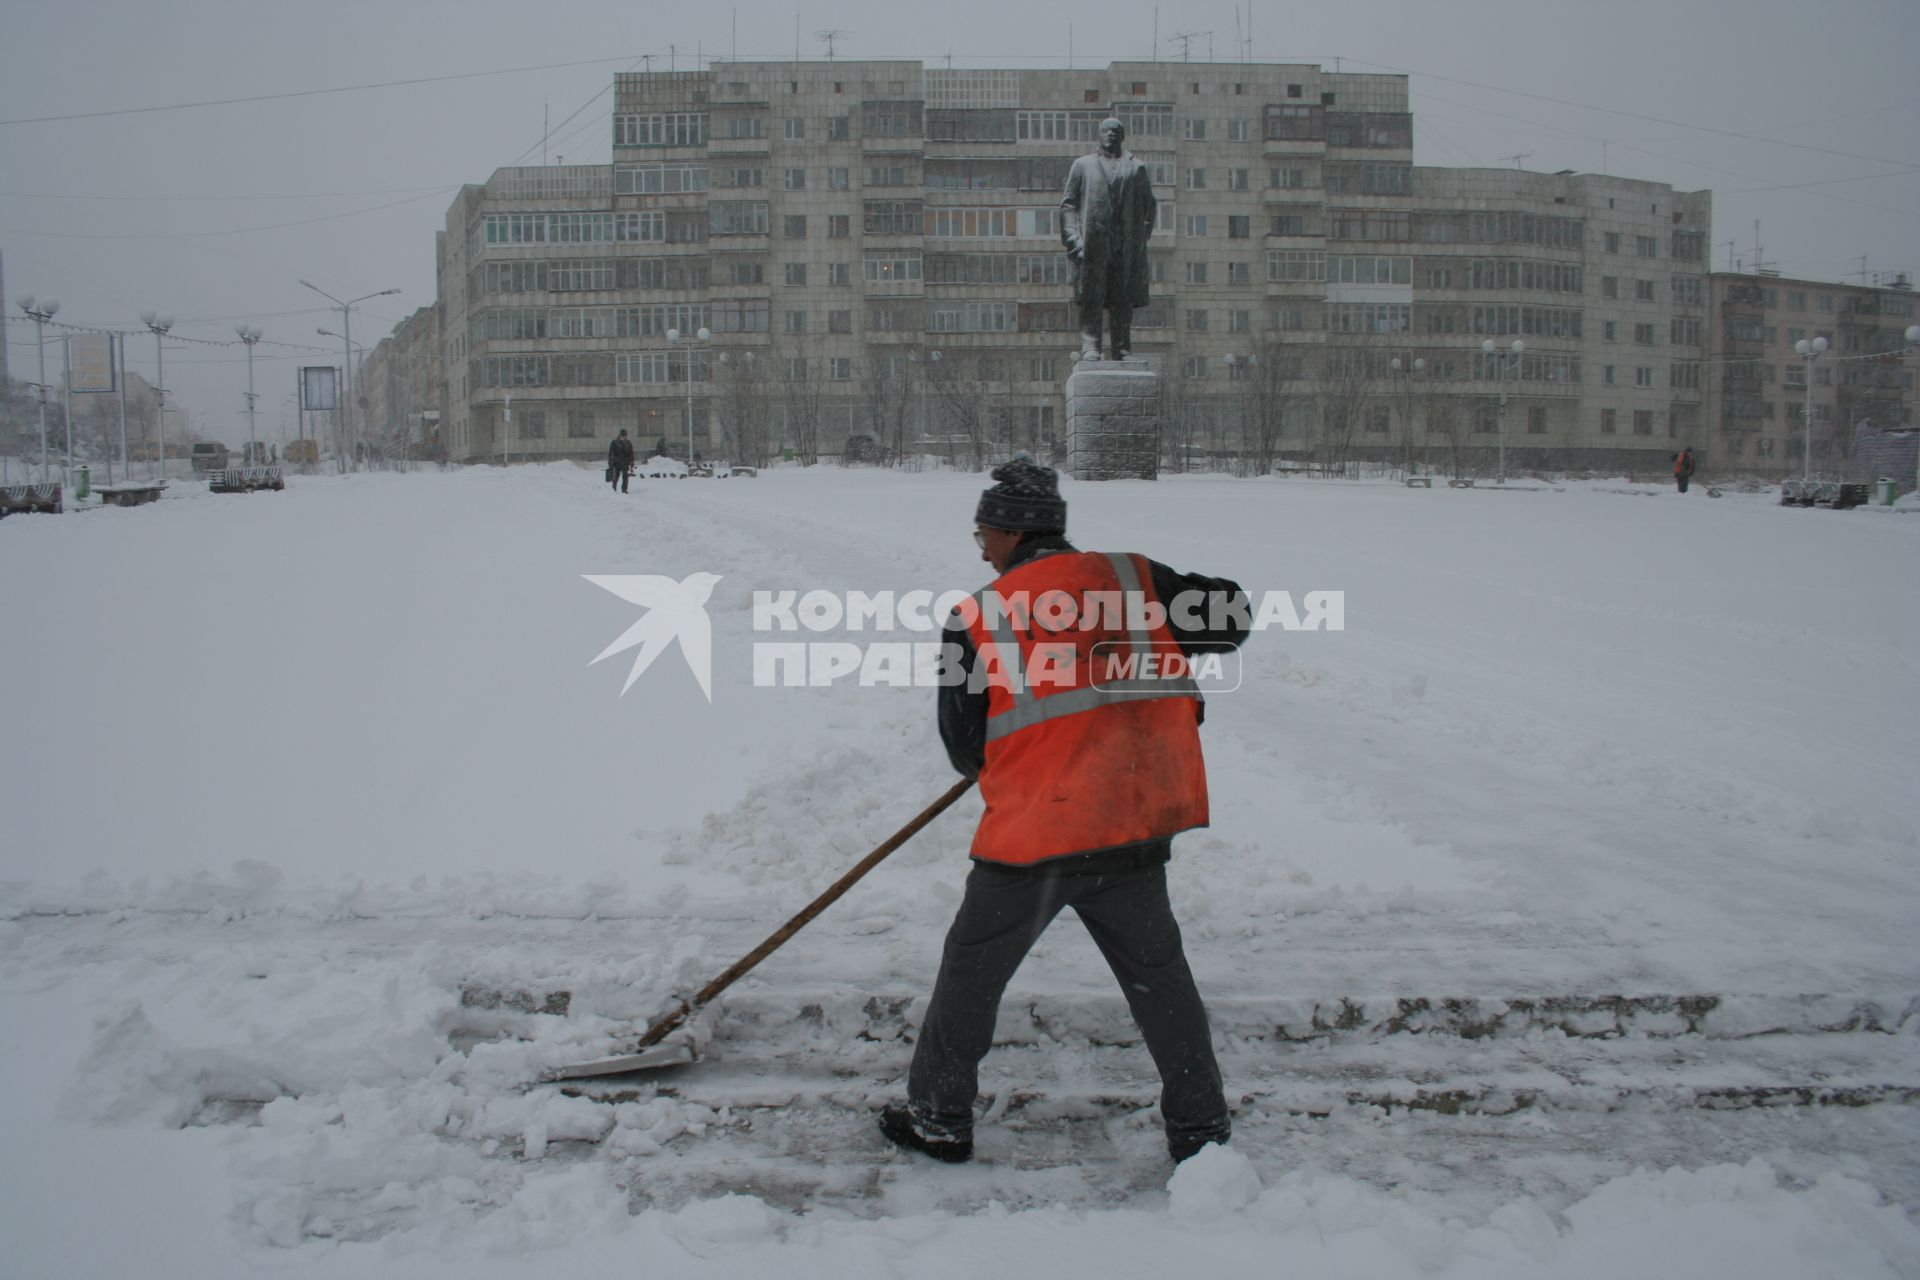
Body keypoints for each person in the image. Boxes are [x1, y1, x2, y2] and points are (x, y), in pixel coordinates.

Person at [879, 456, 1247, 1166]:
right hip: (1130, 830)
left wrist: (1033, 756)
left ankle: (940, 1117)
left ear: (1012, 532)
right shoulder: (1136, 580)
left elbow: (964, 745)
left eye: (983, 532)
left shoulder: (976, 617)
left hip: (1033, 843)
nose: (980, 547)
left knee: (971, 974)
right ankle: (1200, 1129)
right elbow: (1232, 616)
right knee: (1160, 980)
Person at [1060, 117, 1157, 362]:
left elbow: (1149, 207)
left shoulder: (1137, 168)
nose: (1110, 135)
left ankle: (1122, 348)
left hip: (1124, 247)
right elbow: (1068, 206)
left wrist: (1137, 241)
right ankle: (1091, 346)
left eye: (1115, 131)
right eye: (1105, 131)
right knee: (1092, 296)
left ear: (1122, 136)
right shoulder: (1083, 165)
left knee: (1122, 298)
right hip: (1092, 245)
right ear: (1099, 136)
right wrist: (1074, 241)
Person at [608, 429, 635, 493]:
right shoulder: (614, 442)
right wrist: (611, 462)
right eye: (622, 435)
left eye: (625, 435)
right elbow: (611, 453)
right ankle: (614, 489)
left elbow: (631, 453)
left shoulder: (628, 443)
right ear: (619, 435)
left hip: (625, 462)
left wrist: (631, 462)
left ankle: (624, 489)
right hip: (616, 462)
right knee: (616, 477)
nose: (623, 437)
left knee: (625, 476)